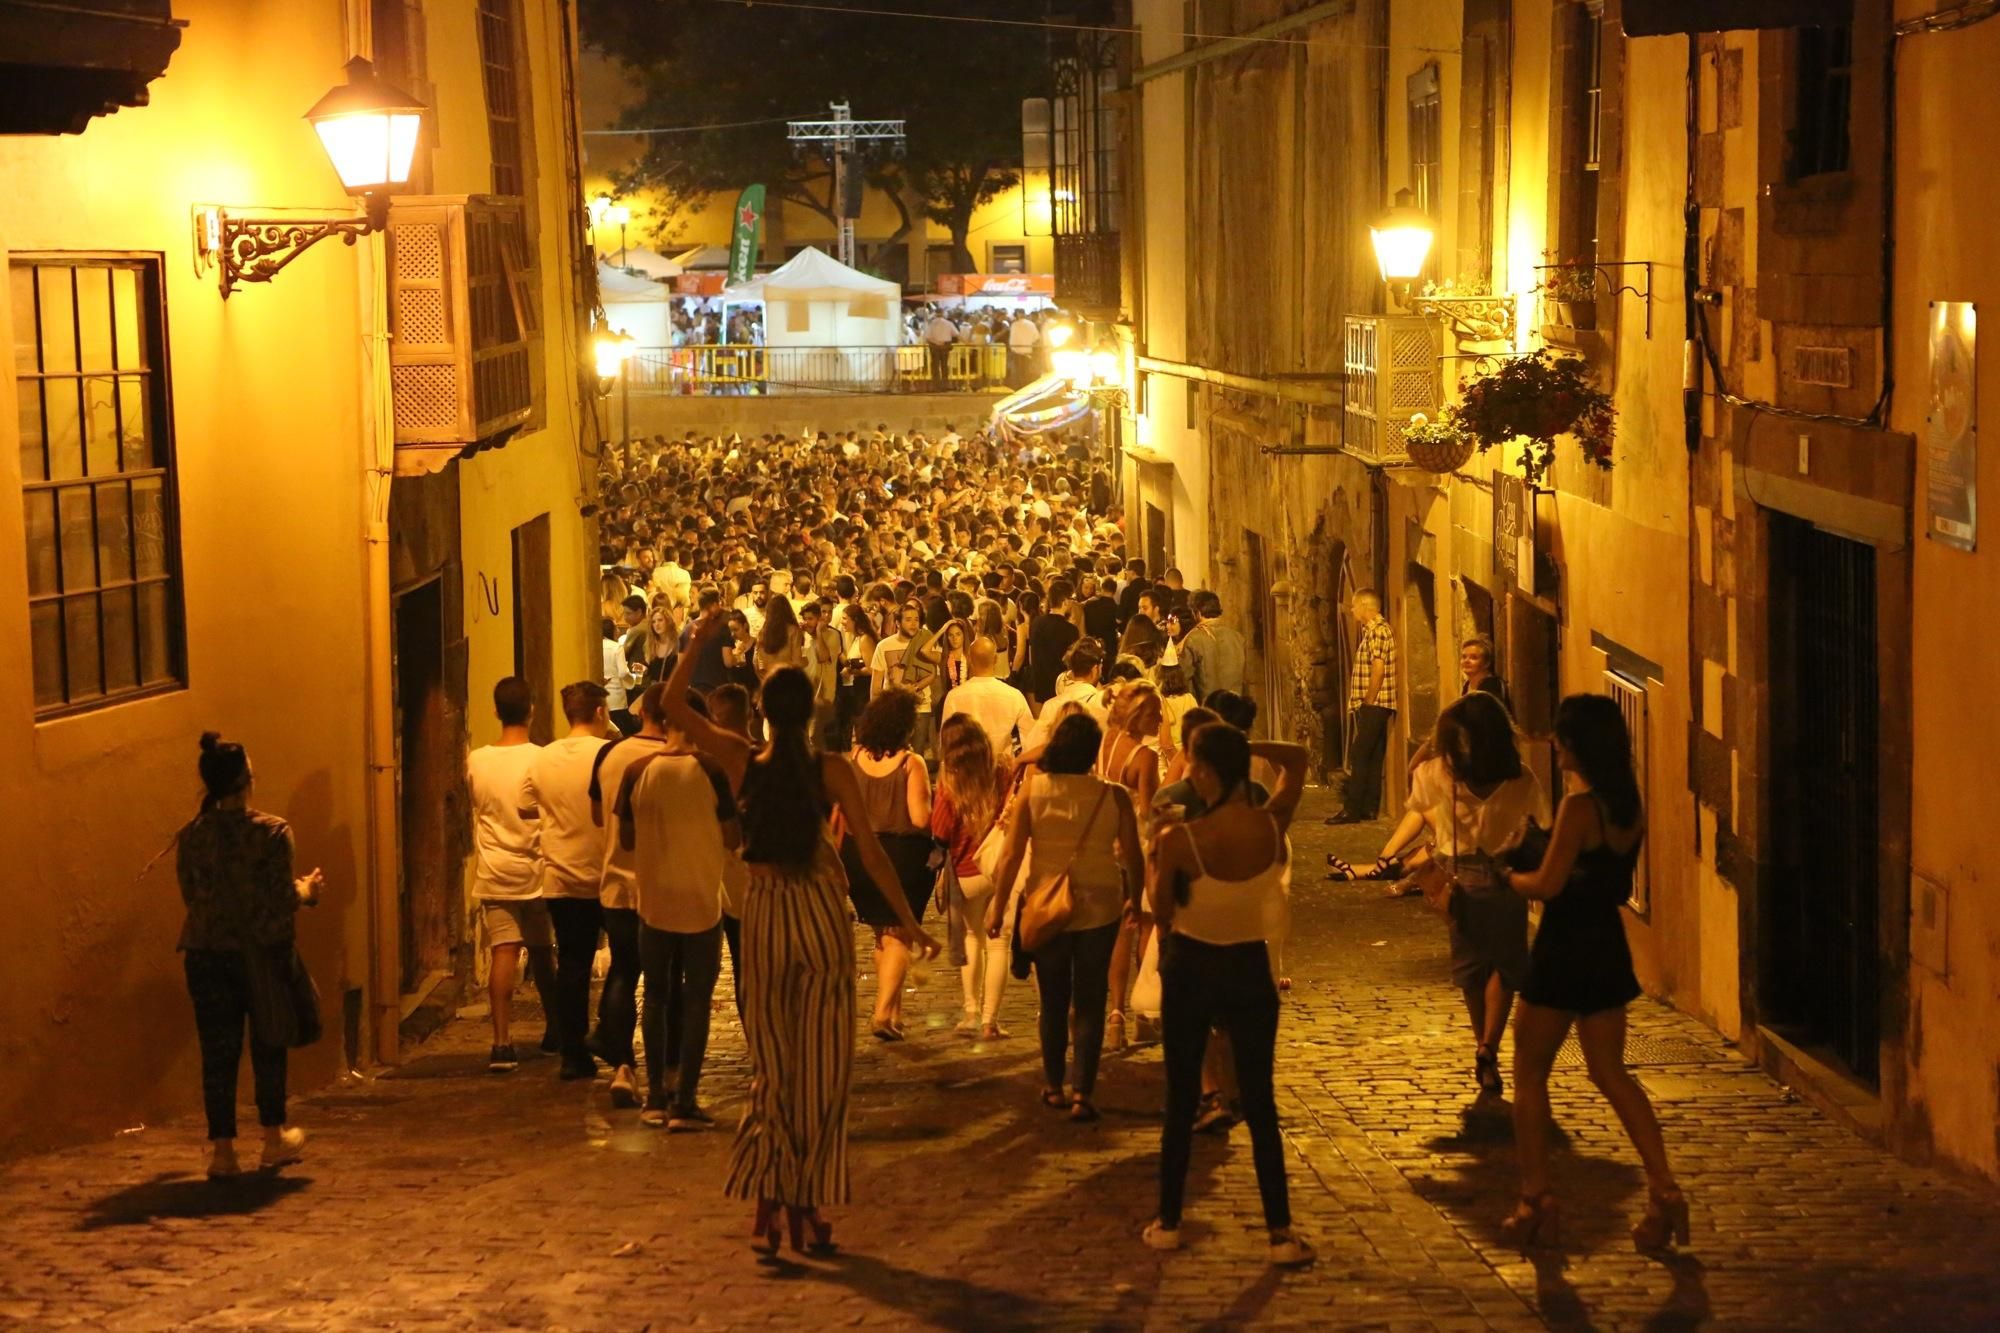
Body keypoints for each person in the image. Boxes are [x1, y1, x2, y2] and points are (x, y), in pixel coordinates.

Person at [663, 610, 940, 1256]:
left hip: (764, 911)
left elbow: (675, 702)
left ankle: (774, 1198)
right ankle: (802, 1201)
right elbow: (870, 855)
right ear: (811, 714)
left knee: (774, 1068)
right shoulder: (830, 767)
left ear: (760, 711)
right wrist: (907, 919)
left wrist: (698, 640)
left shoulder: (737, 757)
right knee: (821, 1071)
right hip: (818, 912)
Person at [1504, 694, 1685, 1253]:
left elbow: (1548, 884)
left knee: (1529, 1070)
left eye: (1561, 736)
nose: (1554, 744)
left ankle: (1536, 1198)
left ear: (1578, 744)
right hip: (1607, 947)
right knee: (1611, 1073)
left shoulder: (1580, 809)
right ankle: (1665, 1188)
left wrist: (1509, 875)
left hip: (1563, 948)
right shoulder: (1628, 806)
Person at [1144, 723, 1315, 1268]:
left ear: (1207, 771)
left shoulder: (1181, 839)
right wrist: (1244, 748)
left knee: (1179, 1094)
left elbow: (1160, 908)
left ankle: (1169, 1221)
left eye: (1196, 762)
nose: (1190, 771)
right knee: (1260, 1101)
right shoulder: (1270, 824)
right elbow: (1299, 759)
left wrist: (1154, 851)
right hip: (1249, 967)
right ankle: (1280, 1232)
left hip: (1193, 964)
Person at [1371, 691, 1542, 1098]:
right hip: (1506, 879)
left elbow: (1417, 790)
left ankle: (1479, 1040)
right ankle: (1489, 1047)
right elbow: (1535, 823)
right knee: (1504, 967)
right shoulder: (1521, 777)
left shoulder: (1435, 774)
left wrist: (1436, 745)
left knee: (1471, 970)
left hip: (1458, 879)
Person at [985, 712, 1146, 1123]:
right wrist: (1136, 900)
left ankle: (1054, 1084)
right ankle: (1084, 1092)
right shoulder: (1114, 796)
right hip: (1100, 907)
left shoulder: (1035, 792)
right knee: (1091, 1001)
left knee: (1054, 1001)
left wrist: (998, 903)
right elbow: (1132, 854)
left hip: (1046, 906)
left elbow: (1012, 854)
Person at [175, 732, 320, 1178]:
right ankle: (274, 1137)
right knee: (268, 1043)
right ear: (246, 780)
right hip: (261, 953)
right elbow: (278, 899)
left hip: (205, 954)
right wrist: (307, 890)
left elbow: (190, 895)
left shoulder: (192, 836)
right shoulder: (273, 833)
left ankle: (223, 1151)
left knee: (218, 1053)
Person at [618, 697, 736, 1131]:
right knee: (697, 999)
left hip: (653, 897)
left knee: (655, 996)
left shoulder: (637, 771)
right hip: (702, 895)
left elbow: (627, 840)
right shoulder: (710, 770)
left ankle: (653, 1096)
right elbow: (731, 834)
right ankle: (684, 1099)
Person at [590, 683, 677, 1109]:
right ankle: (668, 1071)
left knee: (624, 971)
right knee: (667, 983)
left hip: (616, 881)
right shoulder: (676, 760)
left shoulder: (608, 755)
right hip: (663, 885)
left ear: (641, 713)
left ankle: (623, 1065)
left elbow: (595, 814)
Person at [466, 677, 557, 1073]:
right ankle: (556, 1030)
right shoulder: (542, 759)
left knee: (504, 951)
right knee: (542, 952)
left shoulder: (476, 760)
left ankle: (501, 1043)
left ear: (495, 710)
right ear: (532, 709)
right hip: (536, 869)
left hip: (495, 869)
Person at [525, 681, 613, 1082]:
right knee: (628, 961)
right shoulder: (611, 753)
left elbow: (527, 806)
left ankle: (573, 1053)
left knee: (572, 965)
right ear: (599, 712)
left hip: (560, 875)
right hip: (609, 873)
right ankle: (613, 1036)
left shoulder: (543, 759)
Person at [841, 690, 936, 1041]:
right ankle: (882, 1014)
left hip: (859, 853)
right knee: (900, 933)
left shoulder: (855, 757)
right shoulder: (911, 764)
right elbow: (919, 816)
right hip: (901, 854)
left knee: (884, 936)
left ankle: (893, 1013)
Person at [931, 715, 1012, 1040]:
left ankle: (970, 1012)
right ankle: (991, 1020)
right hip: (998, 867)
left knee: (972, 937)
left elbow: (940, 830)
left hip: (964, 871)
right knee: (998, 942)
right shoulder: (1002, 770)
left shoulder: (949, 781)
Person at [1097, 680, 1165, 1052]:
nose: (1161, 719)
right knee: (1145, 927)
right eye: (1156, 713)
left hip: (1106, 845)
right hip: (1135, 846)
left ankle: (1115, 1016)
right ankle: (1144, 1016)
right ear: (1141, 715)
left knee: (1120, 933)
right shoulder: (1144, 757)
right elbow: (1149, 811)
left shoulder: (1105, 743)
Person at [1332, 589, 1397, 824]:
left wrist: (1368, 701)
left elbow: (1378, 669)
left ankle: (1352, 809)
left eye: (1354, 605)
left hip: (1376, 703)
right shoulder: (1373, 632)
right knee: (1374, 754)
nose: (1352, 610)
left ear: (1365, 606)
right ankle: (1370, 808)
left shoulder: (1378, 632)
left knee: (1359, 754)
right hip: (1377, 703)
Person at [940, 636, 1033, 757]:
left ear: (969, 659)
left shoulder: (954, 696)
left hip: (967, 767)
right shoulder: (1014, 695)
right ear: (995, 659)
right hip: (1002, 767)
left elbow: (946, 742)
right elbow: (1030, 737)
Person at [1177, 591, 1246, 704]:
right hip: (1235, 709)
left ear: (1197, 613)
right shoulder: (1238, 638)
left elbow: (1184, 678)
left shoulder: (1193, 639)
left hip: (1208, 711)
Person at [1027, 579, 1082, 704]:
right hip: (1061, 686)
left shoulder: (1036, 623)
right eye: (1072, 599)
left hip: (1040, 683)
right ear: (1065, 601)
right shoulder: (1070, 630)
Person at [1459, 634, 1510, 709]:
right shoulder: (1467, 685)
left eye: (1473, 658)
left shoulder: (1492, 685)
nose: (1466, 661)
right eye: (1464, 657)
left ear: (1486, 663)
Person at [924, 309, 958, 390]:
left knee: (935, 366)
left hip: (934, 347)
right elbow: (956, 334)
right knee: (944, 365)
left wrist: (936, 342)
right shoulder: (949, 323)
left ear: (935, 314)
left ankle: (936, 386)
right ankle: (945, 385)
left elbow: (927, 337)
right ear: (943, 314)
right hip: (945, 347)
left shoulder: (932, 324)